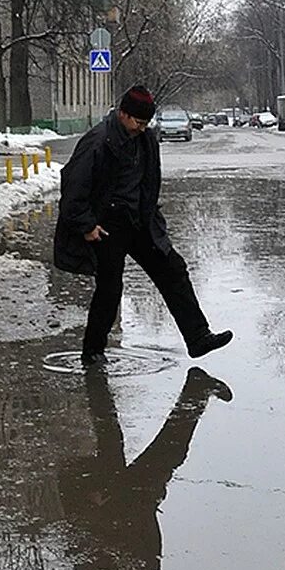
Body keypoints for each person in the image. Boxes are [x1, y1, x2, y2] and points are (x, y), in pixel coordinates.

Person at [53, 85, 232, 364]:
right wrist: (87, 226)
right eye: (138, 121)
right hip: (106, 226)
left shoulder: (147, 139)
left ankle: (198, 337)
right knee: (110, 288)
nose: (141, 128)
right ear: (123, 114)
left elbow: (149, 181)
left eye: (146, 123)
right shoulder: (97, 142)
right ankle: (93, 352)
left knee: (173, 269)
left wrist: (152, 214)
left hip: (140, 221)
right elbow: (73, 188)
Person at [58, 367, 232, 570]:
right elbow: (148, 529)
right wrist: (153, 497)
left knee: (115, 441)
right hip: (124, 496)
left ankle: (97, 382)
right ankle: (195, 390)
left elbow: (75, 537)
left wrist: (90, 504)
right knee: (165, 452)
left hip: (93, 491)